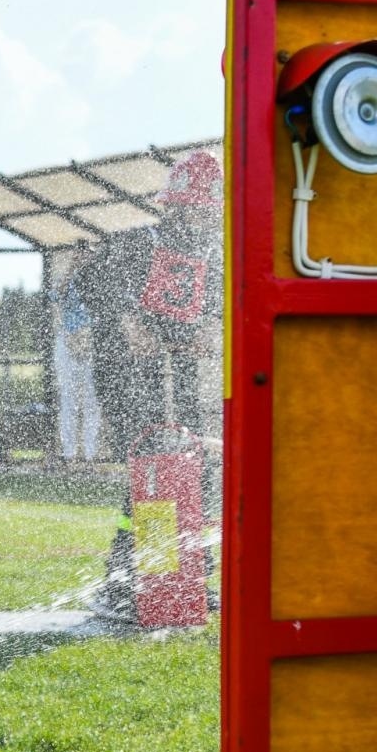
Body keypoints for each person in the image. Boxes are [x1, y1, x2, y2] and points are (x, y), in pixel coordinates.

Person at [88, 151, 224, 624]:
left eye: (209, 211)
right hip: (135, 385)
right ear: (175, 206)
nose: (203, 218)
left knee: (198, 477)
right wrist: (129, 323)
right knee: (153, 480)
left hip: (183, 387)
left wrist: (209, 329)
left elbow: (213, 321)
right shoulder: (135, 246)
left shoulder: (213, 254)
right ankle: (122, 583)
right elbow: (108, 304)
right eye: (196, 209)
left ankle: (189, 578)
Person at [53, 245, 102, 462]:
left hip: (91, 343)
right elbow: (56, 297)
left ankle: (90, 454)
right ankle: (69, 453)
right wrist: (73, 266)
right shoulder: (69, 279)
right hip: (68, 339)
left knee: (92, 400)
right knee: (69, 399)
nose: (84, 256)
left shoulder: (99, 277)